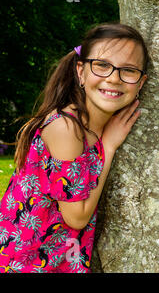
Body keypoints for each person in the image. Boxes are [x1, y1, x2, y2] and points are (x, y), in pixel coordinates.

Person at [0, 23, 148, 272]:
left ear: (141, 83)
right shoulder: (66, 128)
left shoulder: (94, 126)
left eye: (129, 70)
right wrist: (109, 147)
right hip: (24, 264)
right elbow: (76, 217)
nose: (113, 78)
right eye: (102, 65)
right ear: (81, 71)